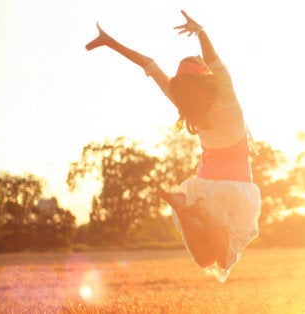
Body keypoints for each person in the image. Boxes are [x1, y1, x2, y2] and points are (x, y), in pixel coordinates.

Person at [85, 9, 261, 282]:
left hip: (205, 181)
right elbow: (214, 59)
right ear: (206, 76)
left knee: (205, 259)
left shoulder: (183, 103)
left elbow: (148, 63)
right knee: (225, 257)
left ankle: (183, 206)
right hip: (236, 183)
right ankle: (198, 210)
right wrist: (200, 32)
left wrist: (111, 42)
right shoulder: (225, 93)